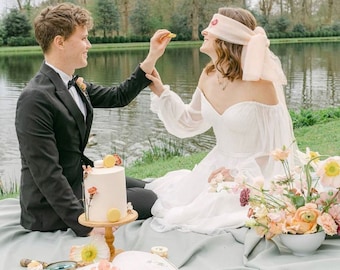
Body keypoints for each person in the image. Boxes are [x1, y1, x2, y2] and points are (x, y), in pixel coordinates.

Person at [15, 3, 172, 237]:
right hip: (48, 207)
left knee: (145, 186)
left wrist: (152, 57)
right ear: (60, 42)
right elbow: (46, 173)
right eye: (84, 38)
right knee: (149, 199)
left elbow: (117, 96)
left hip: (79, 180)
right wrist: (85, 225)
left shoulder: (73, 83)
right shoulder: (35, 99)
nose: (89, 45)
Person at [144, 7, 298, 235]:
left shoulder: (261, 86)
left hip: (254, 175)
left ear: (229, 38)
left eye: (212, 27)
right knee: (169, 203)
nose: (205, 31)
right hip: (214, 167)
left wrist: (239, 177)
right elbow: (189, 121)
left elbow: (277, 149)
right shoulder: (208, 75)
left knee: (195, 215)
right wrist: (161, 92)